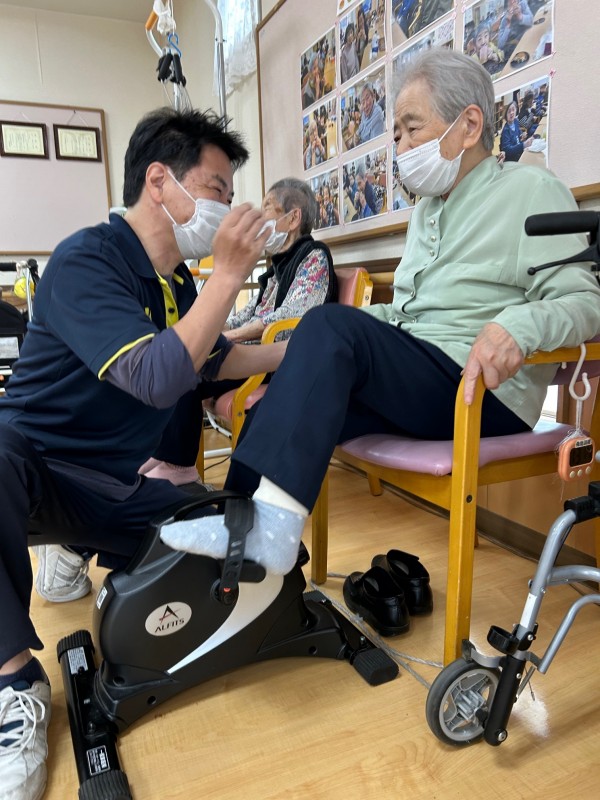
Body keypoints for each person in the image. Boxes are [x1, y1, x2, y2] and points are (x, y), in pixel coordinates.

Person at [160, 48, 600, 594]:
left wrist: (518, 326)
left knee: (328, 329)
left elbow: (585, 302)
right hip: (421, 381)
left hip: (482, 392)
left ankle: (261, 533)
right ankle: (242, 543)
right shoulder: (428, 210)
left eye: (412, 128)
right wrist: (301, 345)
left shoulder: (531, 190)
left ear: (469, 125)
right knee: (291, 386)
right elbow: (402, 312)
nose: (402, 147)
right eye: (397, 134)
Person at [0, 106, 288, 800]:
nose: (226, 206)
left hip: (110, 483)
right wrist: (230, 275)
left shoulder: (176, 282)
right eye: (216, 188)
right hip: (32, 470)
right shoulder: (85, 260)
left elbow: (211, 360)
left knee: (230, 535)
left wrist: (301, 351)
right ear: (160, 181)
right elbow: (159, 377)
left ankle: (73, 550)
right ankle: (14, 686)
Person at [135, 178, 338, 488]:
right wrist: (213, 326)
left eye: (268, 208)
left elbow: (291, 318)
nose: (261, 217)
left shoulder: (314, 256)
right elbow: (250, 314)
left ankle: (178, 467)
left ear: (293, 218)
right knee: (183, 357)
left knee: (189, 368)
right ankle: (164, 456)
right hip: (257, 349)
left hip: (277, 358)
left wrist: (230, 337)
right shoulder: (277, 267)